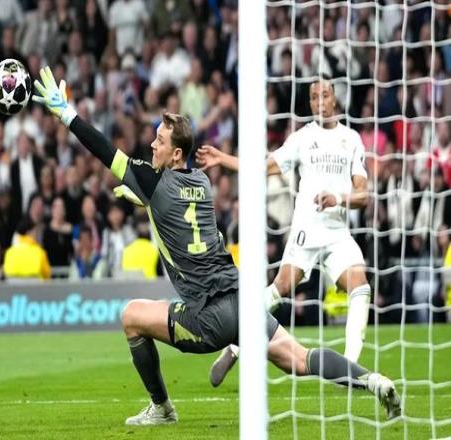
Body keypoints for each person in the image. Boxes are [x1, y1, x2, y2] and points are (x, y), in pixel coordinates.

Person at [33, 67, 401, 426]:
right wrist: (146, 200)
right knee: (299, 359)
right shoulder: (202, 181)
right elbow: (177, 209)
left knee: (131, 316)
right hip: (243, 301)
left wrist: (67, 115)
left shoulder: (152, 182)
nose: (152, 144)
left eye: (160, 140)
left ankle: (162, 408)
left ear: (176, 154)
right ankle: (373, 380)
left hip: (207, 316)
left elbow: (104, 150)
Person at [197, 76, 373, 384]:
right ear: (310, 102)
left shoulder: (352, 140)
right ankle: (234, 347)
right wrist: (222, 158)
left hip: (337, 231)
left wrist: (338, 198)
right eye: (314, 97)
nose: (320, 102)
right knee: (280, 288)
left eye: (325, 95)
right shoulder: (302, 138)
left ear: (335, 99)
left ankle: (350, 369)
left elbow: (363, 195)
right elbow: (262, 167)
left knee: (361, 287)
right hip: (307, 228)